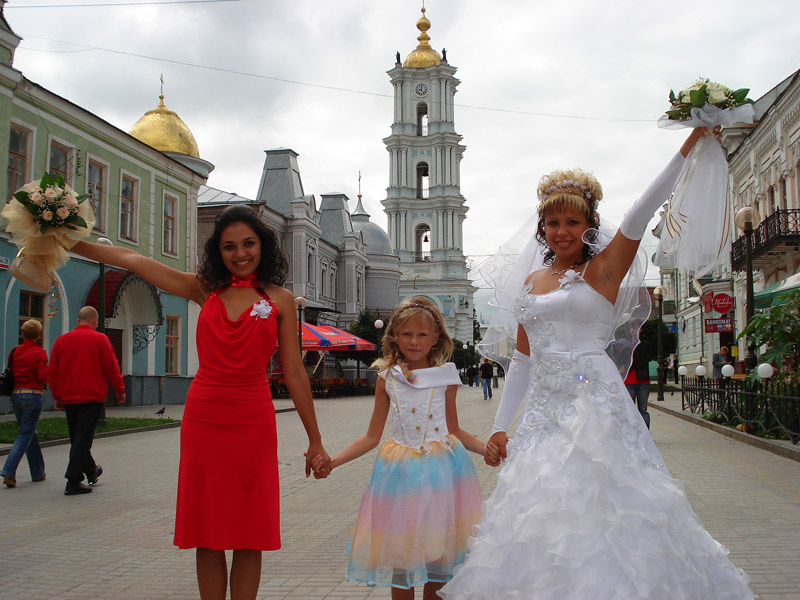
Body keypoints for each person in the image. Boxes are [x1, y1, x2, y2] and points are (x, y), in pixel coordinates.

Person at [439, 129, 755, 599]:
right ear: (542, 228)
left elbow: (642, 210)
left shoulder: (605, 268)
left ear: (589, 224)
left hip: (597, 407)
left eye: (572, 221)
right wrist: (501, 427)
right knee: (540, 508)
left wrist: (689, 144)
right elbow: (523, 360)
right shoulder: (530, 282)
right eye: (552, 222)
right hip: (544, 414)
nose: (561, 231)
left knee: (608, 501)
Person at [69, 205, 330, 600]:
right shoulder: (203, 288)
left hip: (253, 420)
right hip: (204, 418)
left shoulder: (280, 300)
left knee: (249, 530)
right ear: (217, 251)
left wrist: (316, 440)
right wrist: (63, 240)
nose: (240, 253)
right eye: (229, 246)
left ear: (263, 246)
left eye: (248, 243)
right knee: (207, 529)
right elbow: (131, 258)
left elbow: (294, 372)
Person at [314, 296, 485, 600]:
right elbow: (371, 437)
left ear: (436, 338)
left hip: (442, 477)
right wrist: (333, 460)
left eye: (422, 334)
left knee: (439, 560)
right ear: (394, 336)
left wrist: (488, 449)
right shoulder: (388, 378)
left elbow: (455, 429)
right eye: (407, 334)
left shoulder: (446, 377)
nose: (414, 341)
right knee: (402, 561)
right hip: (400, 479)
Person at [49, 306, 125, 496]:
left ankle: (91, 471)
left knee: (77, 438)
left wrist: (56, 396)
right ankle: (73, 480)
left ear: (78, 321)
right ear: (94, 321)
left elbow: (53, 371)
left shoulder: (61, 340)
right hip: (92, 396)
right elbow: (111, 366)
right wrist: (119, 390)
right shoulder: (99, 339)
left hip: (69, 396)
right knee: (83, 439)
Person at [1, 319, 48, 488]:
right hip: (33, 395)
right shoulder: (40, 353)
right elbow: (42, 376)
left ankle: (38, 472)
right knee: (25, 433)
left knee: (29, 432)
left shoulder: (15, 351)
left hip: (16, 395)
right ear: (38, 335)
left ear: (22, 334)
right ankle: (8, 470)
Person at [624, 328, 652, 429]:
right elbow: (622, 359)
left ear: (641, 330)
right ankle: (631, 431)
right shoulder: (626, 345)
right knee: (630, 409)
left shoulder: (646, 345)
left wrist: (628, 366)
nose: (632, 330)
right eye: (631, 328)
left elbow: (643, 360)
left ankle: (646, 433)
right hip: (628, 380)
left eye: (635, 328)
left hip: (642, 380)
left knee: (643, 409)